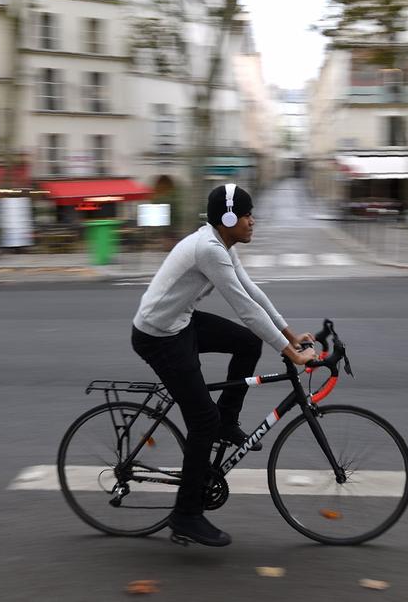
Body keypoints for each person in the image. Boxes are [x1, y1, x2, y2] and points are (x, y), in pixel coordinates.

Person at [131, 183, 318, 547]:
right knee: (202, 421)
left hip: (180, 323)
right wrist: (292, 353)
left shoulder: (221, 244)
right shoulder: (209, 249)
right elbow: (245, 309)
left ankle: (226, 422)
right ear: (228, 217)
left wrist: (291, 335)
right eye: (247, 214)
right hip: (158, 336)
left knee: (248, 344)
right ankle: (185, 516)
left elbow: (252, 292)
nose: (252, 220)